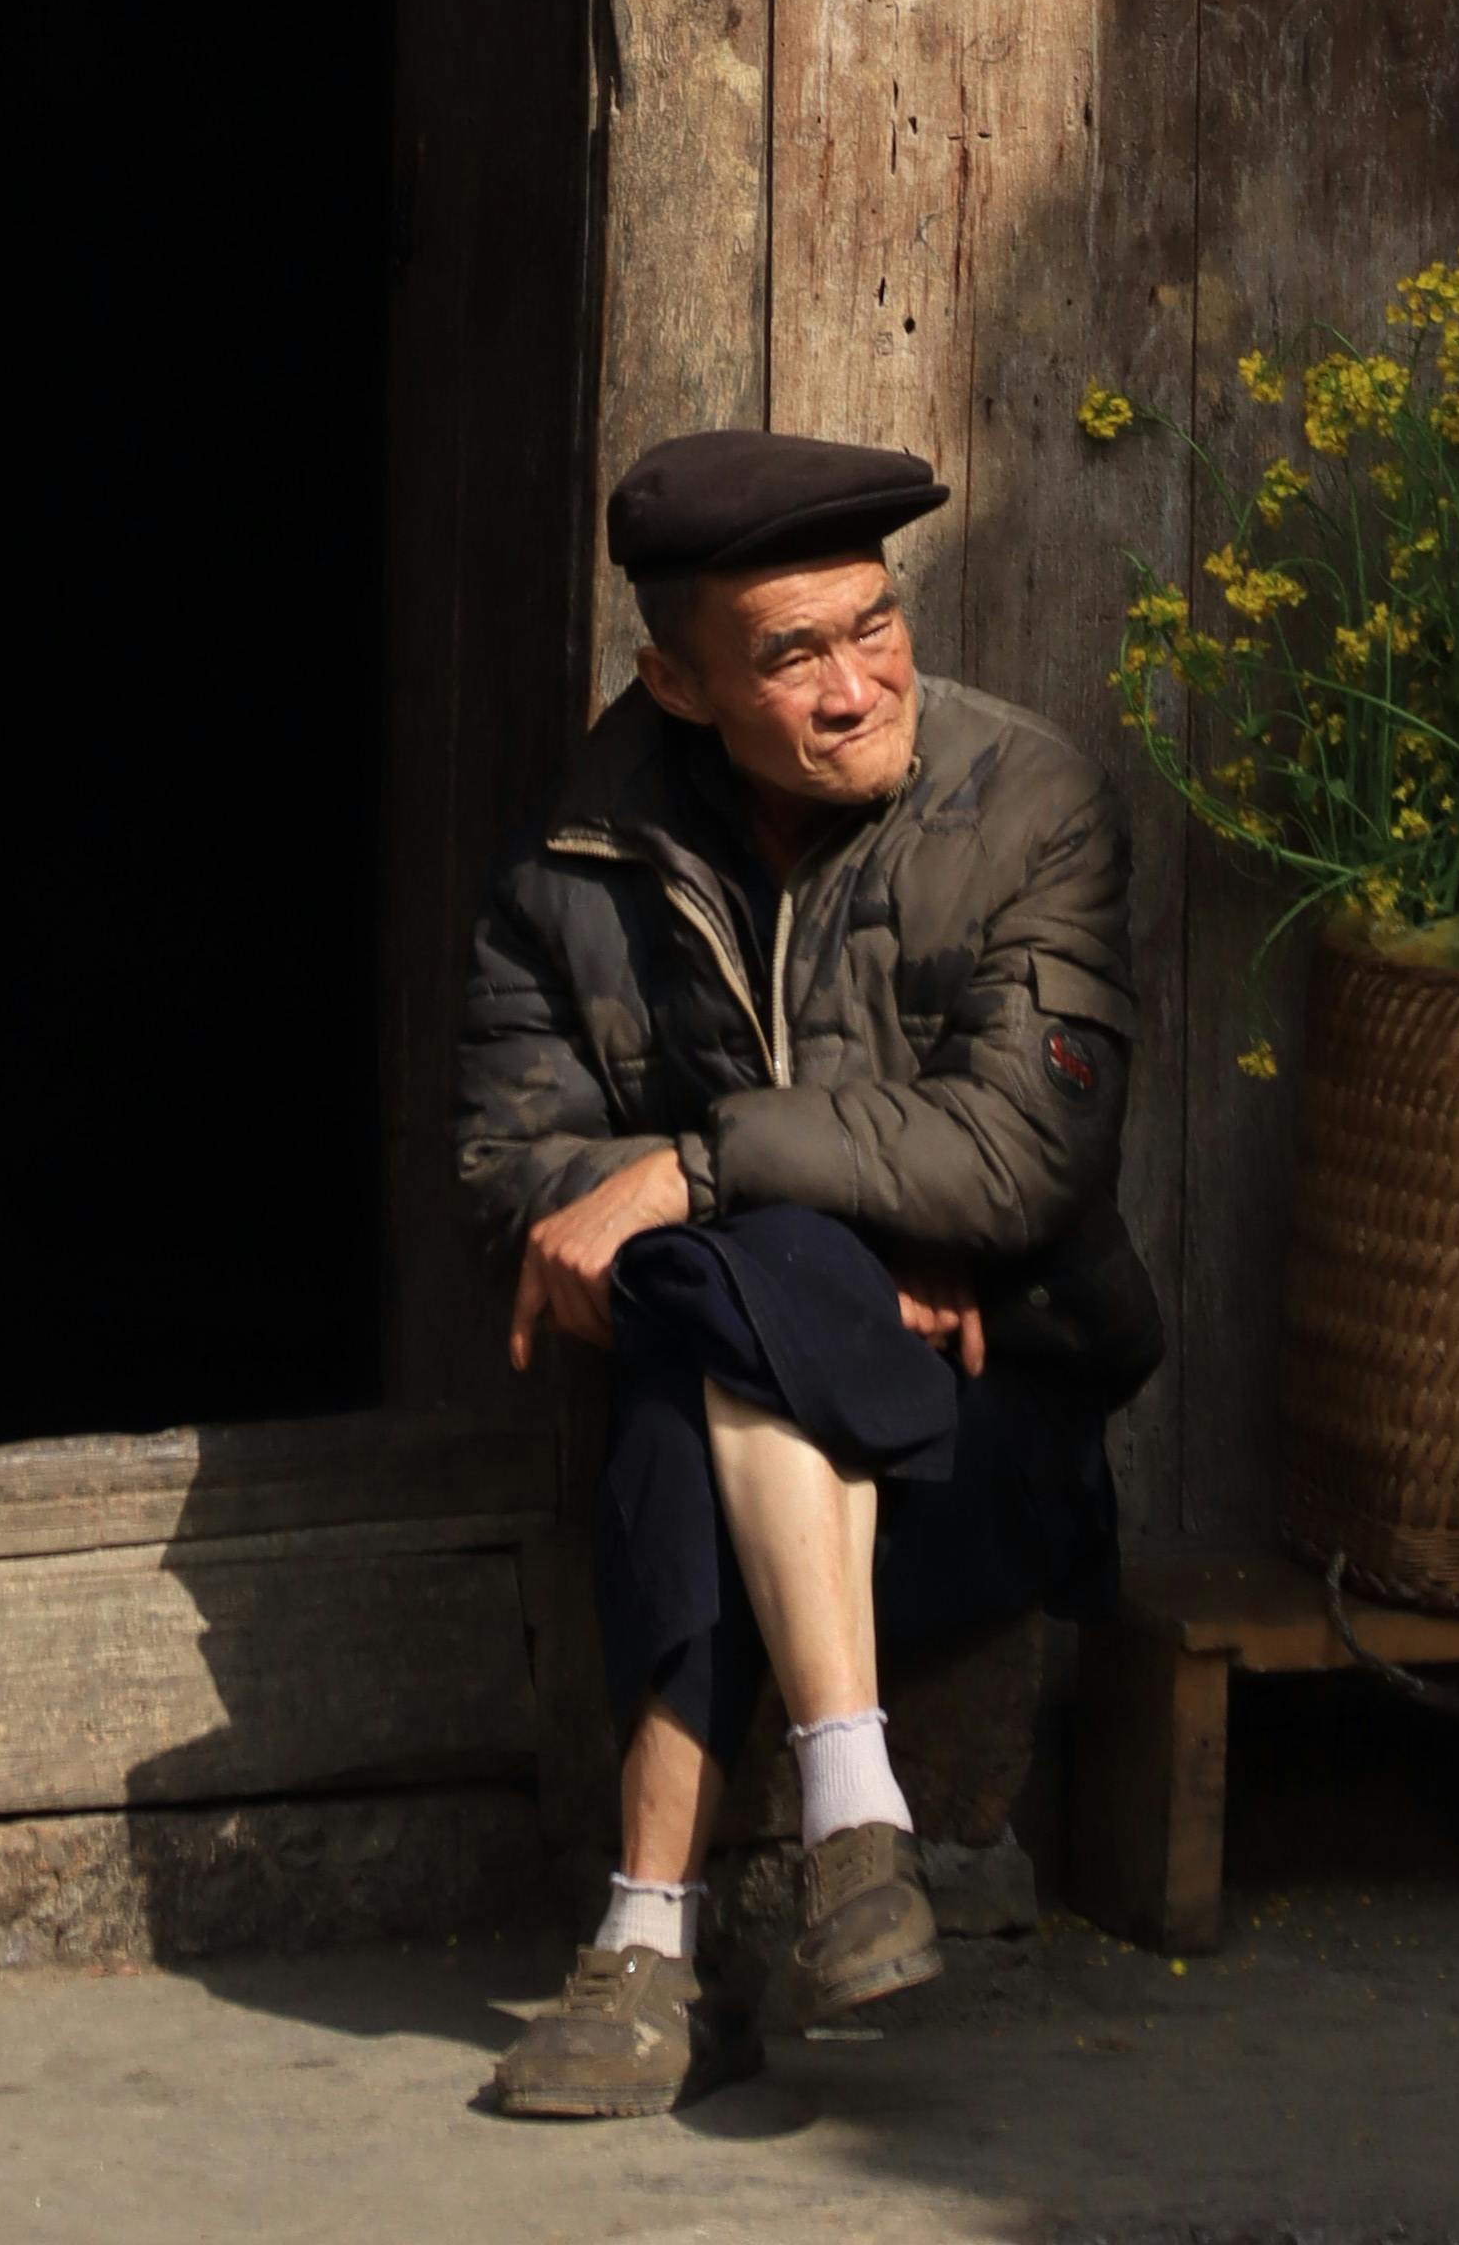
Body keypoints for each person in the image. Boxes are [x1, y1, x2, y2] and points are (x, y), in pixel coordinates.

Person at [455, 426, 1160, 2121]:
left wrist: (697, 1166)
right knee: (741, 1314)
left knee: (725, 1299)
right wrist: (815, 1244)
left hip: (986, 1427)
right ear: (681, 686)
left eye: (877, 627)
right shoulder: (576, 863)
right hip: (727, 1423)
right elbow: (516, 1182)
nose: (860, 688)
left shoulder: (1029, 801)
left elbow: (1023, 1157)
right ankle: (859, 1829)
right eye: (794, 655)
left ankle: (645, 1947)